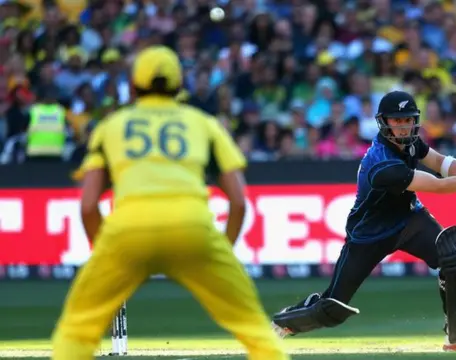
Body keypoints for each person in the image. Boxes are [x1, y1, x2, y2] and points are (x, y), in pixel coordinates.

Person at [51, 46, 289, 360]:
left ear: (133, 88)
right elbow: (239, 201)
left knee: (75, 334)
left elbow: (87, 205)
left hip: (128, 232)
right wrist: (222, 249)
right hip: (193, 230)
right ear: (179, 87)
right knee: (256, 332)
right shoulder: (203, 123)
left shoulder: (112, 126)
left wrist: (107, 249)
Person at [271, 91, 456, 352]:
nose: (403, 127)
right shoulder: (382, 163)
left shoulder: (411, 142)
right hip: (369, 235)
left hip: (409, 220)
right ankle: (285, 322)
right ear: (384, 123)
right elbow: (437, 185)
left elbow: (440, 162)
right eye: (396, 121)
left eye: (407, 120)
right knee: (332, 308)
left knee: (454, 257)